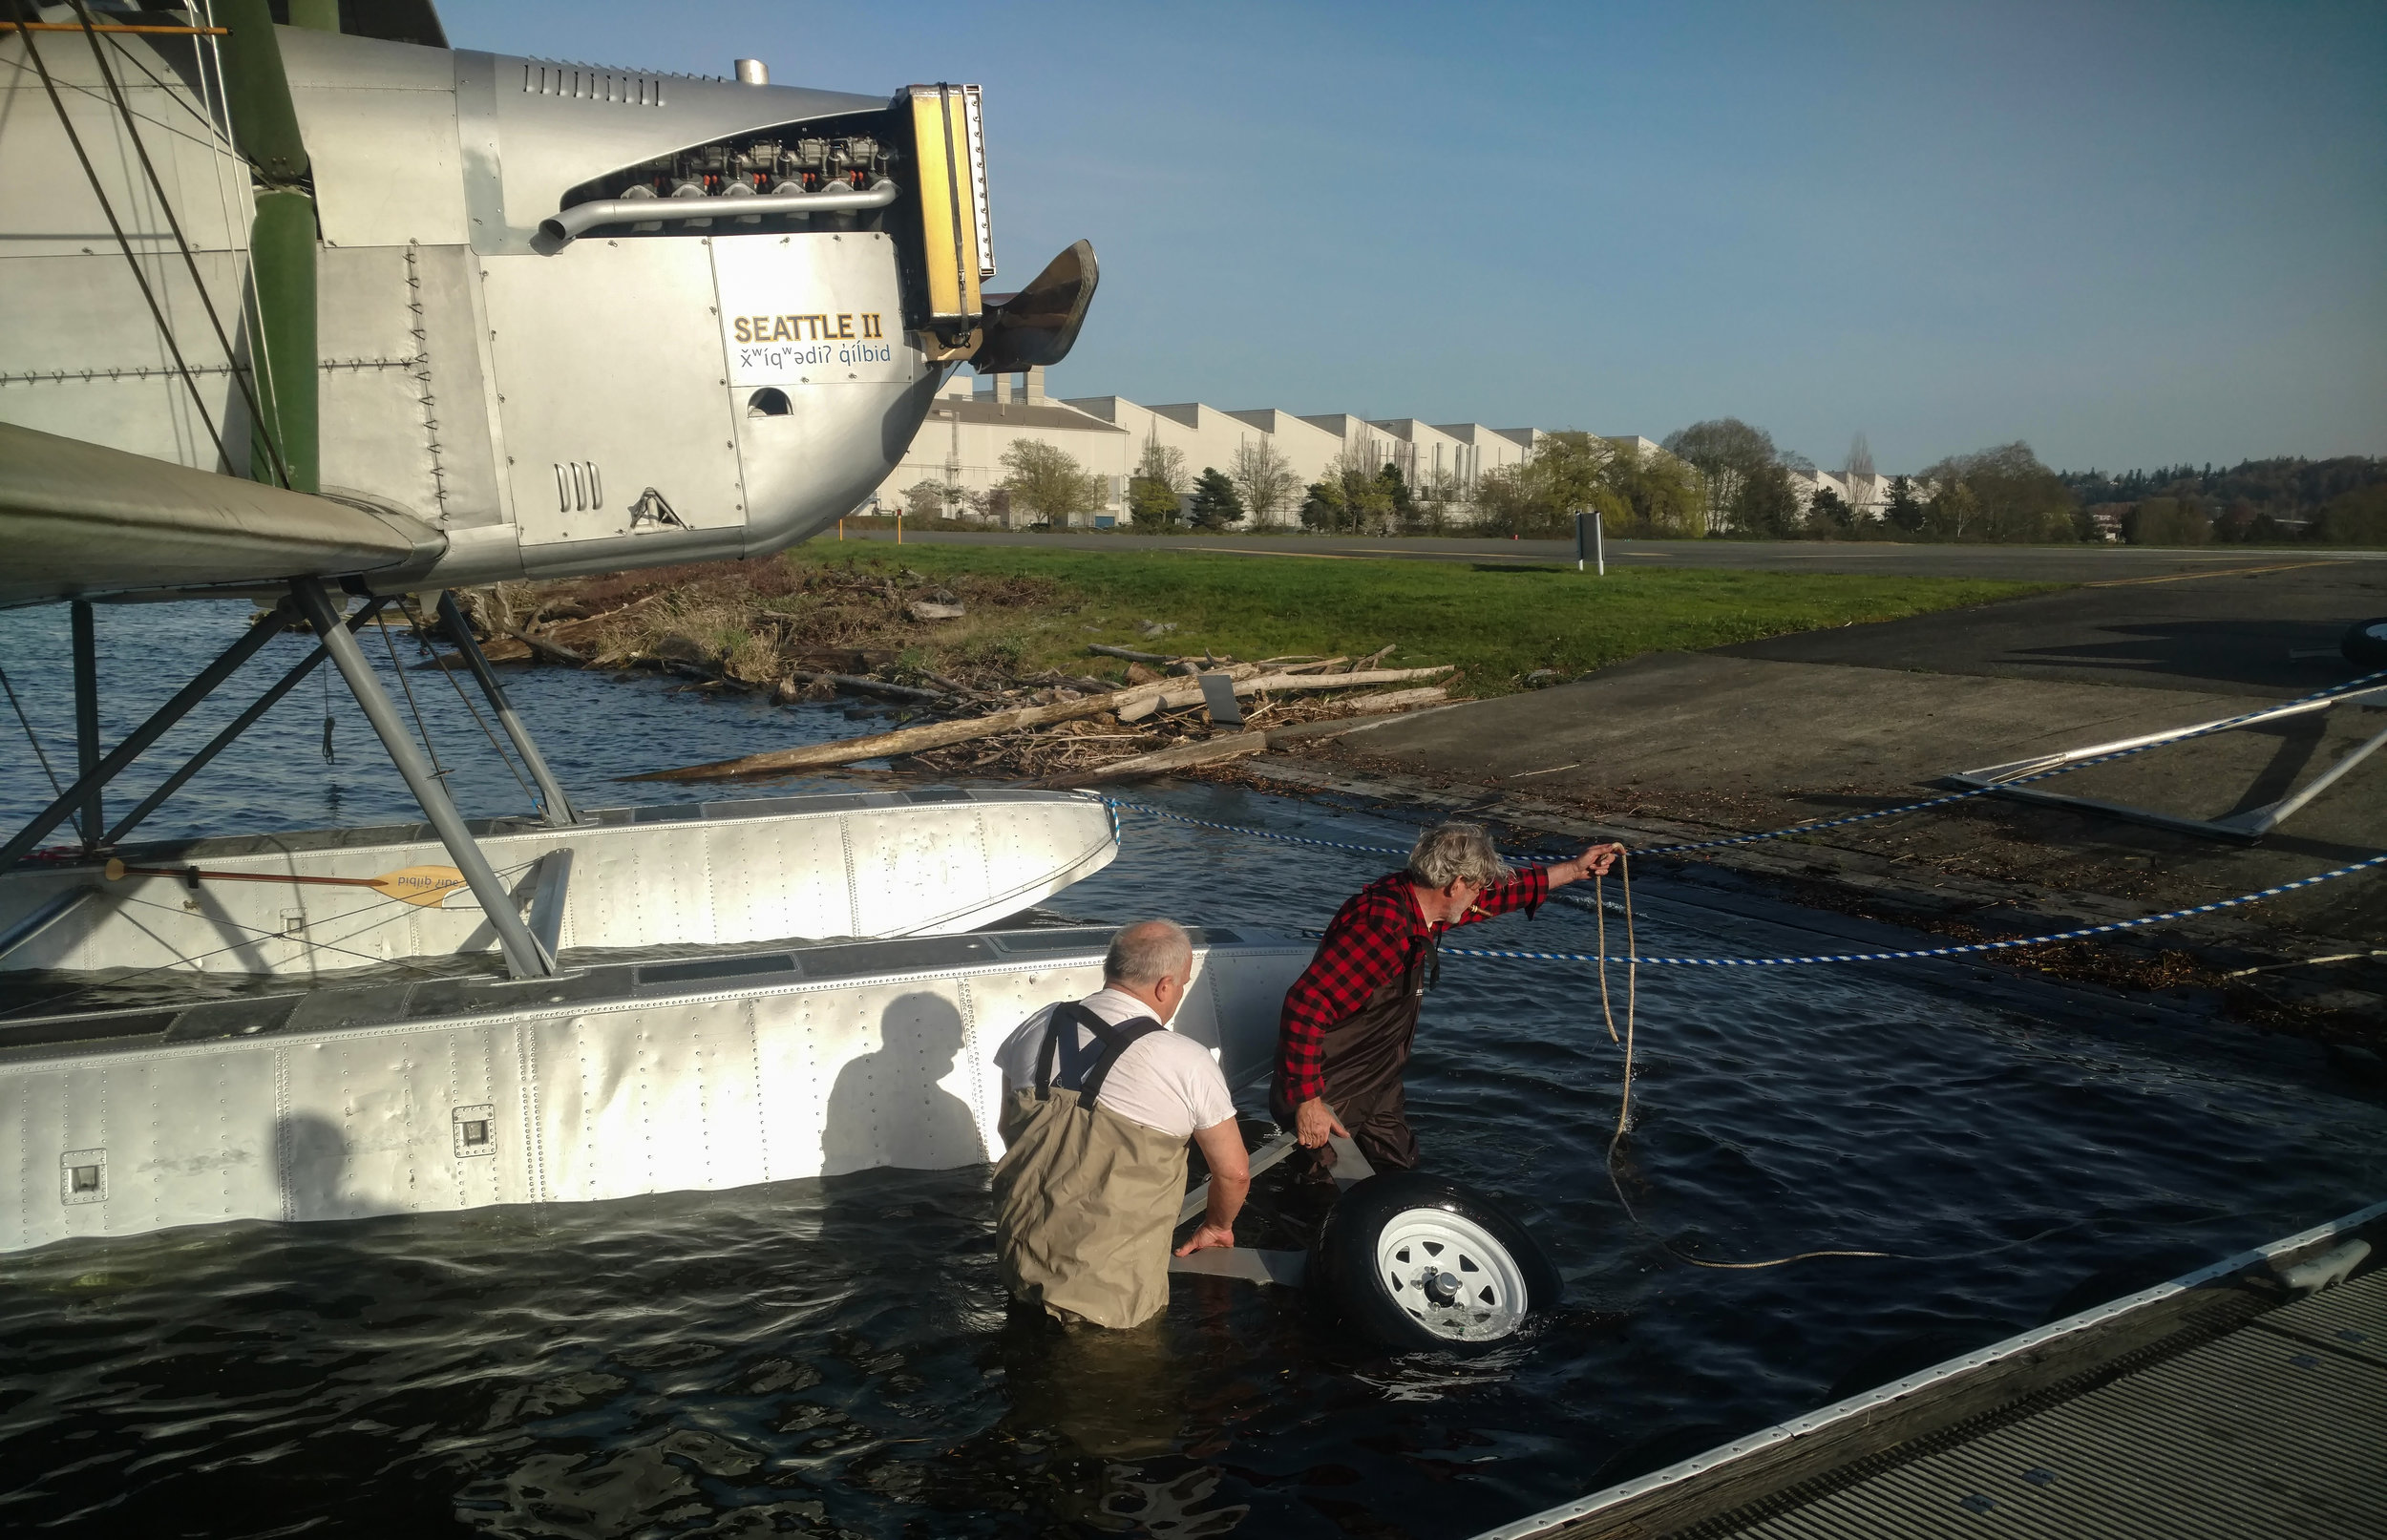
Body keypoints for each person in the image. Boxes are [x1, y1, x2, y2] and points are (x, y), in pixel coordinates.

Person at [1273, 823, 1623, 1172]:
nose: (1479, 898)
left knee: (1398, 1172)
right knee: (1322, 1190)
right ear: (1454, 885)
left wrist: (1574, 870)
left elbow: (1495, 898)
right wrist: (1308, 1101)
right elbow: (1306, 1004)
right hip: (1331, 1086)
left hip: (1378, 1076)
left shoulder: (1421, 903)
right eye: (1476, 888)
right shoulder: (1381, 927)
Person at [990, 918, 1250, 1329]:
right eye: (1181, 983)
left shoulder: (1036, 1025)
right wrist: (1216, 1226)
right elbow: (1233, 1173)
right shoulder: (1186, 1060)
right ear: (1165, 986)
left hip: (1019, 1265)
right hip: (1110, 1299)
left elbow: (1010, 1129)